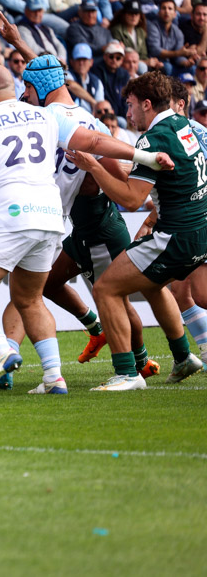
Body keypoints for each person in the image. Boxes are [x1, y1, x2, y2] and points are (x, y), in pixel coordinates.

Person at [0, 64, 173, 393]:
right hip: (51, 218)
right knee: (29, 299)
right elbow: (95, 140)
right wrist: (143, 157)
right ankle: (53, 377)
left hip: (12, 214)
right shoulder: (45, 116)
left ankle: (2, 352)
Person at [73, 71, 206, 390]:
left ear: (147, 104)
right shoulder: (184, 123)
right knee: (162, 285)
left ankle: (128, 374)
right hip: (201, 229)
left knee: (105, 289)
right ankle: (184, 357)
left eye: (130, 105)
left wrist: (92, 167)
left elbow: (132, 200)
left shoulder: (153, 138)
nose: (127, 113)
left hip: (176, 235)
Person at [147, 0, 193, 76]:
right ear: (158, 12)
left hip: (171, 64)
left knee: (192, 69)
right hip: (155, 63)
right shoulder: (152, 26)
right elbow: (155, 51)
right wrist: (177, 53)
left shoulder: (178, 32)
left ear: (175, 14)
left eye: (170, 8)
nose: (166, 11)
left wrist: (186, 62)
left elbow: (178, 57)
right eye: (163, 8)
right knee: (167, 67)